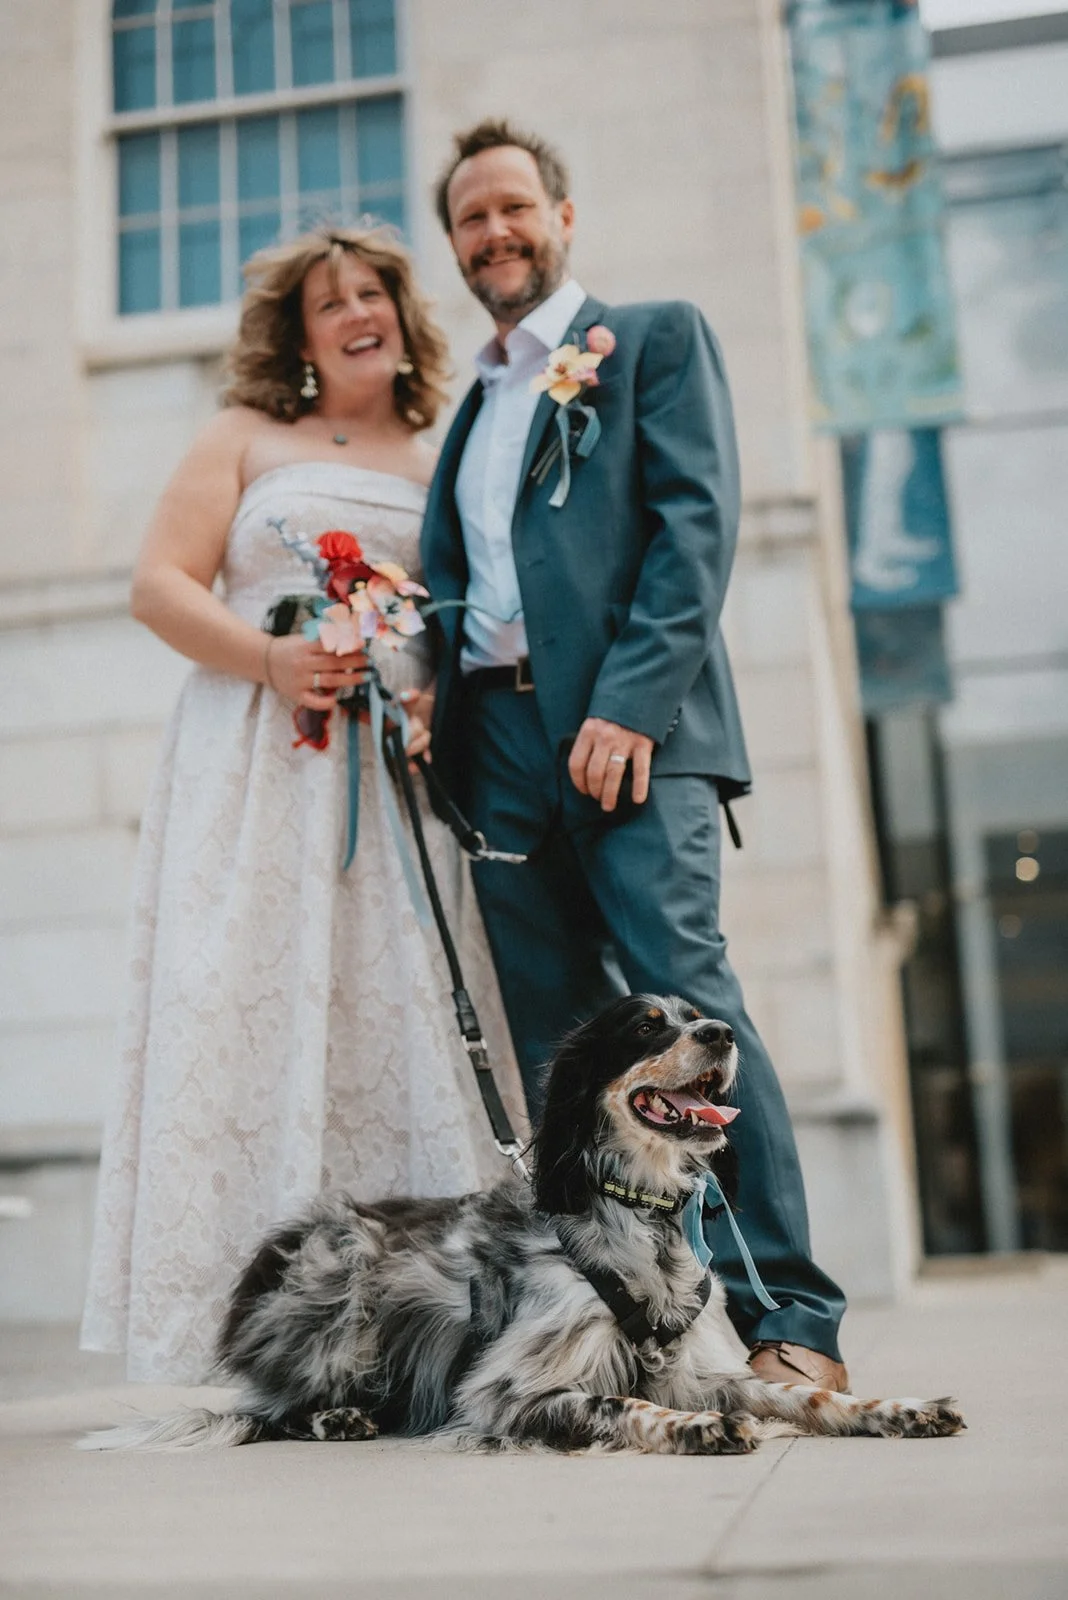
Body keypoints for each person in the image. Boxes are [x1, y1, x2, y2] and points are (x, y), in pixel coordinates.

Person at [420, 119, 849, 1392]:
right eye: (469, 220)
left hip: (628, 733)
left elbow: (691, 534)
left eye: (512, 208)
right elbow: (475, 585)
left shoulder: (651, 338)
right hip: (497, 748)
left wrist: (631, 705)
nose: (492, 233)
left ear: (561, 214)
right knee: (572, 1049)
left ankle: (793, 1321)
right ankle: (630, 1325)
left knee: (687, 1001)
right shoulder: (475, 403)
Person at [81, 226, 525, 1385]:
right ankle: (240, 1330)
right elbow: (157, 585)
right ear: (302, 333)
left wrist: (431, 702)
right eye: (331, 302)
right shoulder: (242, 437)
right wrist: (270, 663)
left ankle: (415, 1328)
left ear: (401, 314)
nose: (357, 311)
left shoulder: (439, 453)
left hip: (392, 787)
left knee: (397, 1005)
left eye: (374, 291)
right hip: (256, 766)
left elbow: (459, 622)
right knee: (243, 1002)